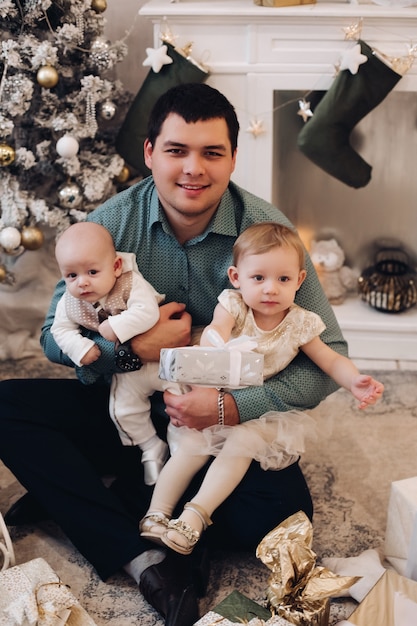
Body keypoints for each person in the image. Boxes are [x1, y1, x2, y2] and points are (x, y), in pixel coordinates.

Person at [0, 83, 349, 626]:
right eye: (176, 150)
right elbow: (51, 338)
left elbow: (330, 355)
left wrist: (235, 408)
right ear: (148, 153)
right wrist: (131, 349)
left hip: (221, 417)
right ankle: (144, 558)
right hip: (129, 397)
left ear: (233, 156)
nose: (193, 169)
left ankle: (94, 496)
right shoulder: (110, 224)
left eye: (212, 153)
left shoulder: (267, 235)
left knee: (282, 518)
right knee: (6, 407)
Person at [140, 222, 384, 555]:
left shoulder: (300, 323)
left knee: (242, 445)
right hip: (211, 388)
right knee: (192, 447)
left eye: (283, 279)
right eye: (258, 278)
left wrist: (354, 380)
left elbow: (329, 359)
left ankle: (194, 517)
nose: (270, 289)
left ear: (299, 280)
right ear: (236, 277)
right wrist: (218, 346)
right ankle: (156, 514)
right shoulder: (234, 305)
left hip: (255, 409)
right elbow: (215, 330)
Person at [51, 221, 182, 486]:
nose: (82, 282)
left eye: (92, 271)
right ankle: (150, 447)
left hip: (164, 361)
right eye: (71, 275)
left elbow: (147, 312)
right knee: (122, 410)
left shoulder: (131, 283)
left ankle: (181, 454)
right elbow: (58, 330)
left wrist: (115, 327)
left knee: (181, 401)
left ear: (116, 266)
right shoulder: (70, 301)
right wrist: (81, 347)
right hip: (128, 370)